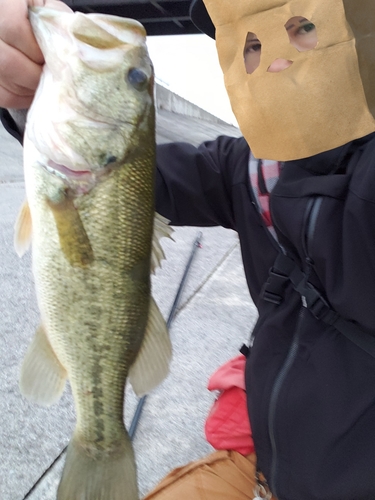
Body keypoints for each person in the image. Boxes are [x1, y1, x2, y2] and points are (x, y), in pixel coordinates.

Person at [2, 0, 375, 499]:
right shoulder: (248, 165)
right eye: (252, 42)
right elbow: (129, 177)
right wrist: (30, 99)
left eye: (302, 27)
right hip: (265, 466)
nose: (274, 55)